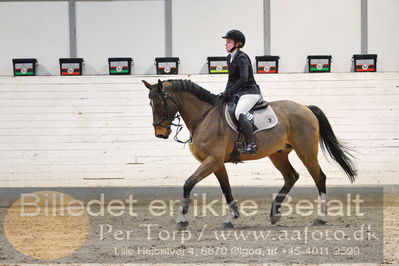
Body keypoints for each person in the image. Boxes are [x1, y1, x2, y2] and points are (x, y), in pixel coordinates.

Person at [219, 29, 262, 154]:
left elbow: (244, 79)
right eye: (226, 42)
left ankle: (251, 144)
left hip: (250, 92)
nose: (226, 44)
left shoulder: (242, 57)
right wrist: (225, 92)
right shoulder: (229, 58)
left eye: (229, 42)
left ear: (237, 44)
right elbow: (231, 79)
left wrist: (230, 91)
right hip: (239, 93)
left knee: (239, 112)